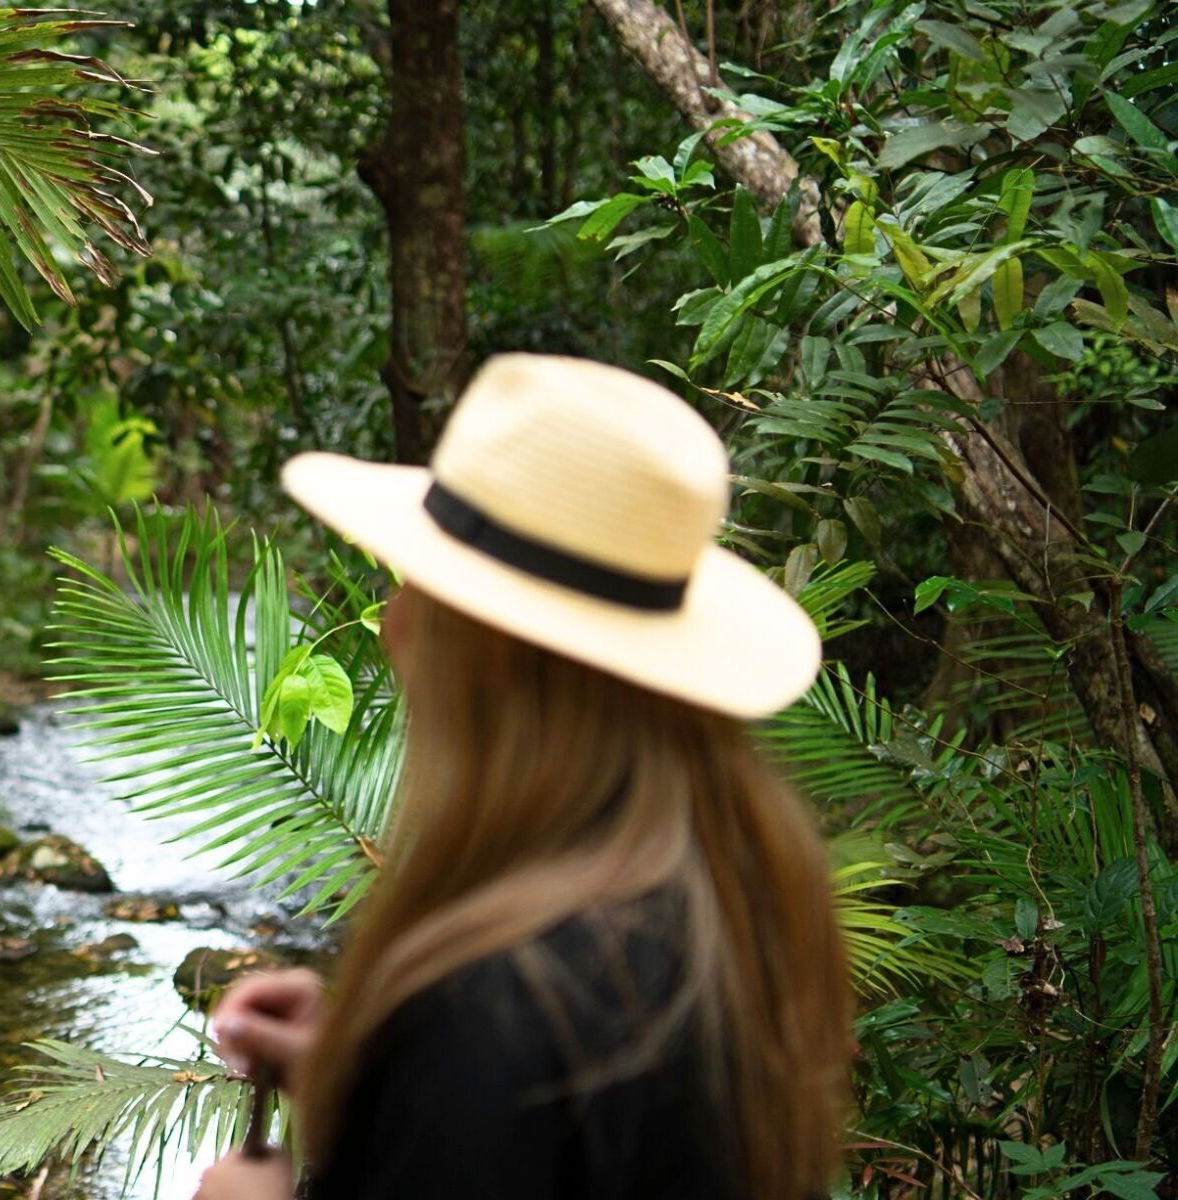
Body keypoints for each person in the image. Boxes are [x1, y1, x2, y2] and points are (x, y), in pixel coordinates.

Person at [195, 354, 854, 1200]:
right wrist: (368, 1083)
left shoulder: (494, 1003)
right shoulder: (736, 899)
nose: (394, 625)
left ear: (489, 657)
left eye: (421, 587)